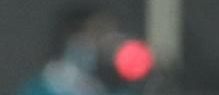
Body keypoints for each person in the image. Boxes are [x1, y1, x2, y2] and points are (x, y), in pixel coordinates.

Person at [16, 5, 155, 95]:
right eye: (98, 34)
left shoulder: (108, 87)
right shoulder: (39, 89)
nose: (106, 43)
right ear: (73, 38)